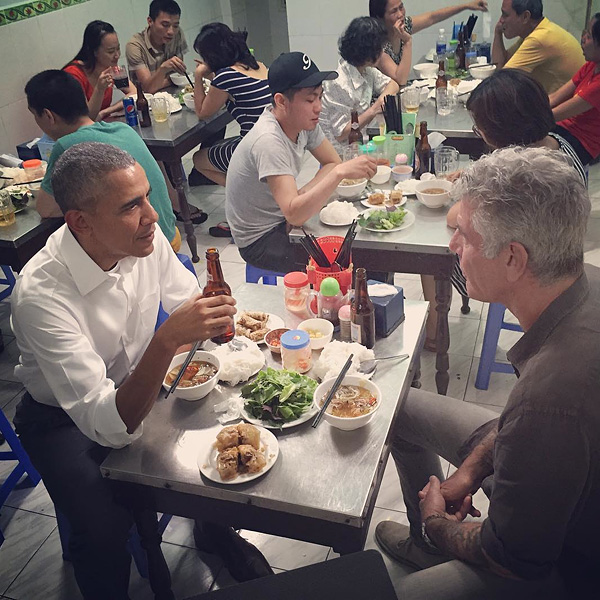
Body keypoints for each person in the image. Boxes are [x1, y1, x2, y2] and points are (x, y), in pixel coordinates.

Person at [11, 142, 273, 599]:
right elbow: (108, 424)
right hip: (61, 418)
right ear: (81, 223)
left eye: (148, 197)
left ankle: (214, 530)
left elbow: (188, 300)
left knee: (215, 430)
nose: (153, 216)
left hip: (132, 382)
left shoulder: (140, 241)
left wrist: (219, 327)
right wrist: (168, 338)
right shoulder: (42, 295)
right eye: (131, 206)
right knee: (104, 528)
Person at [375, 146, 598, 599]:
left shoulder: (550, 395)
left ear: (514, 259)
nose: (453, 245)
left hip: (566, 563)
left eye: (466, 237)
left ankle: (430, 543)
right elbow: (530, 426)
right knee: (400, 406)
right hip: (553, 461)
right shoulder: (584, 278)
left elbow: (512, 557)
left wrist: (437, 522)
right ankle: (427, 547)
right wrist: (472, 469)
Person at [225, 52, 377, 273]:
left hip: (283, 219)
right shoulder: (269, 140)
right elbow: (296, 213)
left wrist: (302, 195)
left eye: (319, 97)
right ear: (281, 101)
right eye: (309, 99)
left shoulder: (304, 122)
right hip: (260, 240)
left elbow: (331, 162)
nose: (318, 107)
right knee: (349, 262)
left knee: (364, 248)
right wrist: (337, 175)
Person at [446, 68, 585, 297]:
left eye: (480, 129)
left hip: (530, 270)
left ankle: (433, 324)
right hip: (559, 256)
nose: (480, 134)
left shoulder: (521, 174)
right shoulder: (555, 142)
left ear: (503, 130)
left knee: (445, 253)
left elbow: (455, 217)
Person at [25, 69, 180, 251]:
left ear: (48, 116)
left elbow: (46, 208)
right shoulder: (123, 129)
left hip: (147, 246)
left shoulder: (67, 146)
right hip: (170, 234)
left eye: (35, 115)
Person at [191, 23, 271, 238]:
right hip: (271, 143)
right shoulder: (258, 66)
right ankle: (253, 197)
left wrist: (198, 76)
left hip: (252, 150)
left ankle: (248, 201)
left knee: (199, 159)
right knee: (219, 146)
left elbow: (202, 112)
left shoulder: (225, 76)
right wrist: (214, 80)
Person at [320, 17, 399, 157]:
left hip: (361, 146)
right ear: (368, 52)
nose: (383, 52)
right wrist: (374, 109)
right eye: (380, 48)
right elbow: (341, 133)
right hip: (340, 156)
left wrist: (381, 100)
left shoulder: (366, 71)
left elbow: (393, 85)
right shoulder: (338, 83)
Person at [369, 0, 488, 85]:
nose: (400, 14)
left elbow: (432, 17)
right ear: (380, 17)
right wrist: (407, 41)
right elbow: (400, 79)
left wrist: (466, 6)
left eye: (401, 7)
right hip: (381, 105)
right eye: (394, 11)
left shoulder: (404, 26)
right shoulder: (377, 43)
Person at [492, 0, 584, 94]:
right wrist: (497, 33)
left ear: (525, 17)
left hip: (564, 105)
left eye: (505, 15)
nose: (501, 20)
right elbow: (500, 66)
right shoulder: (538, 31)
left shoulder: (539, 39)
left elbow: (501, 81)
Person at [550, 13, 600, 166]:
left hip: (581, 143)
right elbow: (554, 98)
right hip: (561, 128)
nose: (583, 39)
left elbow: (552, 115)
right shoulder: (591, 65)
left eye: (589, 36)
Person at [64, 20, 134, 121]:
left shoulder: (111, 67)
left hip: (102, 123)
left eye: (118, 49)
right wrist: (99, 89)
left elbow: (134, 93)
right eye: (110, 51)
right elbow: (86, 118)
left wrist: (105, 112)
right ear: (94, 52)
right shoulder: (74, 74)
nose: (117, 55)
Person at [126, 0, 187, 94]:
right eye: (165, 25)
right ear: (150, 21)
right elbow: (148, 89)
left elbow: (179, 74)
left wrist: (160, 82)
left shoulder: (177, 34)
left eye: (175, 25)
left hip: (173, 94)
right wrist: (163, 68)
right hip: (147, 102)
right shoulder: (135, 46)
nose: (171, 31)